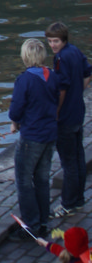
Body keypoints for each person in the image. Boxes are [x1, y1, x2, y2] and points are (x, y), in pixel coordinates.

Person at [9, 36, 59, 238]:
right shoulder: (52, 76)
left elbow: (16, 109)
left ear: (25, 57)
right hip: (50, 134)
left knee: (23, 180)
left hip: (32, 136)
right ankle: (44, 219)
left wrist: (15, 122)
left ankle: (31, 224)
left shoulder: (25, 80)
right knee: (42, 178)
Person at [45, 22, 92, 216]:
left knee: (69, 163)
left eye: (55, 41)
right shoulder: (75, 51)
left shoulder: (60, 58)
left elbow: (62, 88)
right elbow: (88, 73)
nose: (52, 45)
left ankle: (69, 204)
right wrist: (78, 92)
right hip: (77, 112)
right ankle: (78, 199)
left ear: (63, 39)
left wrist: (56, 112)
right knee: (78, 158)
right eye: (50, 41)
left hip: (65, 117)